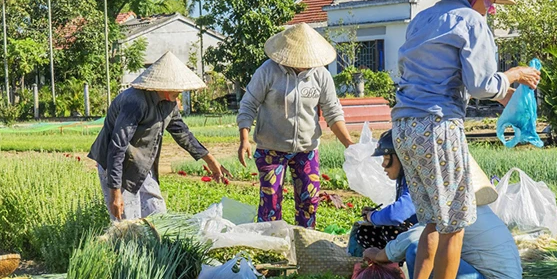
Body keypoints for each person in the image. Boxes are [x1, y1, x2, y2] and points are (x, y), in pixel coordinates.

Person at [392, 0, 540, 279]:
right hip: (439, 127)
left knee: (431, 218)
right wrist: (514, 75)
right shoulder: (471, 22)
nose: (491, 7)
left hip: (405, 126)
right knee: (455, 223)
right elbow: (481, 85)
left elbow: (442, 77)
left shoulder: (422, 19)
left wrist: (506, 95)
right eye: (489, 0)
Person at [361, 144, 522, 279]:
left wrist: (378, 255)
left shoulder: (452, 207)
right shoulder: (466, 203)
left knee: (417, 251)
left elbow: (418, 238)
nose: (383, 164)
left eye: (387, 159)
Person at [237, 23, 354, 228]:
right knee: (271, 203)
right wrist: (244, 139)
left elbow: (333, 113)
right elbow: (248, 105)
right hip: (271, 149)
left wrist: (350, 144)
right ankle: (271, 247)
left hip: (306, 150)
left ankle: (304, 243)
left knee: (309, 201)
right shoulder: (268, 71)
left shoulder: (320, 75)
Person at [88, 51, 230, 220]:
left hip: (141, 164)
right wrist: (115, 193)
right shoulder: (135, 102)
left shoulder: (169, 103)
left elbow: (182, 133)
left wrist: (210, 160)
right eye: (176, 87)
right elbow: (117, 148)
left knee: (158, 217)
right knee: (129, 224)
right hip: (117, 166)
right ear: (162, 85)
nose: (179, 92)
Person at [347, 130, 418, 257]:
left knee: (390, 228)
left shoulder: (415, 181)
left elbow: (395, 215)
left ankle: (392, 265)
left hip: (424, 236)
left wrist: (372, 216)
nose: (383, 165)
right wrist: (376, 215)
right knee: (365, 232)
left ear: (402, 158)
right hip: (416, 233)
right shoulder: (404, 180)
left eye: (386, 158)